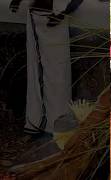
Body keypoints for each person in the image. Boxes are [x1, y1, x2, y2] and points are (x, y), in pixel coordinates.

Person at [9, 0, 84, 135]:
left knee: (58, 73)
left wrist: (63, 13)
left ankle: (55, 124)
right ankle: (38, 122)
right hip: (39, 15)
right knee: (38, 71)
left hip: (55, 17)